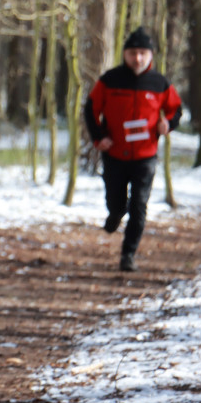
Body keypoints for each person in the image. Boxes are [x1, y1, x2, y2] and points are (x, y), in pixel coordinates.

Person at [83, 26, 182, 272]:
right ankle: (115, 215)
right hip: (115, 154)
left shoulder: (159, 83)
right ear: (125, 54)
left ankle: (128, 255)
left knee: (139, 205)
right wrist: (99, 138)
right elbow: (91, 109)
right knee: (117, 203)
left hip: (145, 157)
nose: (137, 58)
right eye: (132, 53)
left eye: (142, 53)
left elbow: (176, 109)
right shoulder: (110, 80)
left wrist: (167, 124)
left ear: (150, 55)